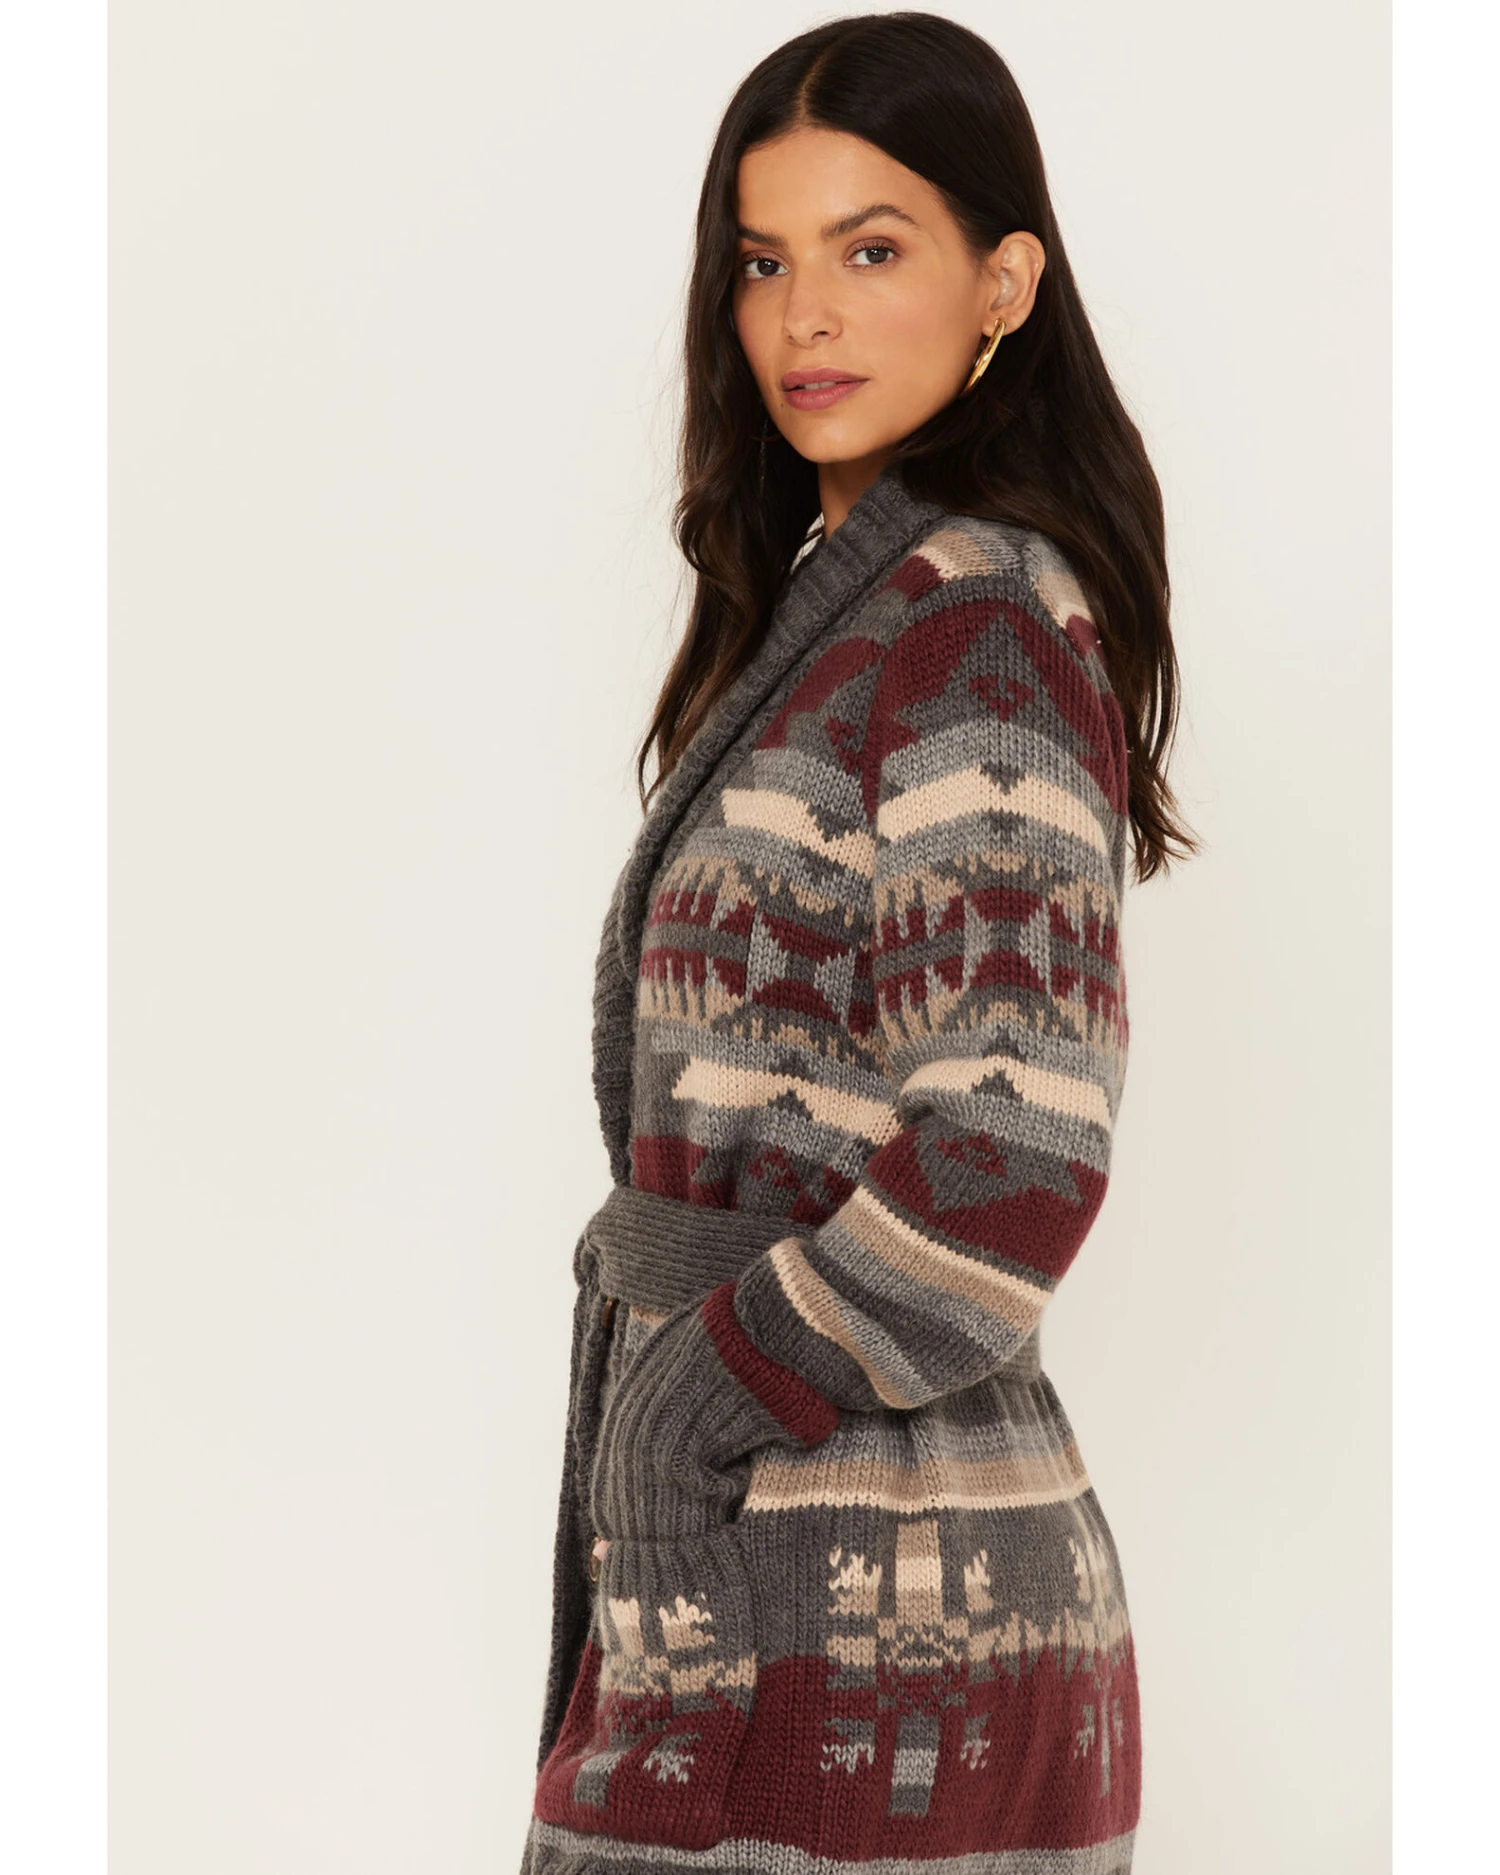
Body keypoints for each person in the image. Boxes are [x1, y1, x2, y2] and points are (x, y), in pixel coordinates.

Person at [519, 12, 1196, 1873]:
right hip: (800, 1566)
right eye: (764, 261)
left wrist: (684, 1412)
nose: (804, 314)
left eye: (871, 247)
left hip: (870, 1610)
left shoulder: (973, 623)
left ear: (1005, 283)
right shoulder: (837, 612)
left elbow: (1012, 1153)